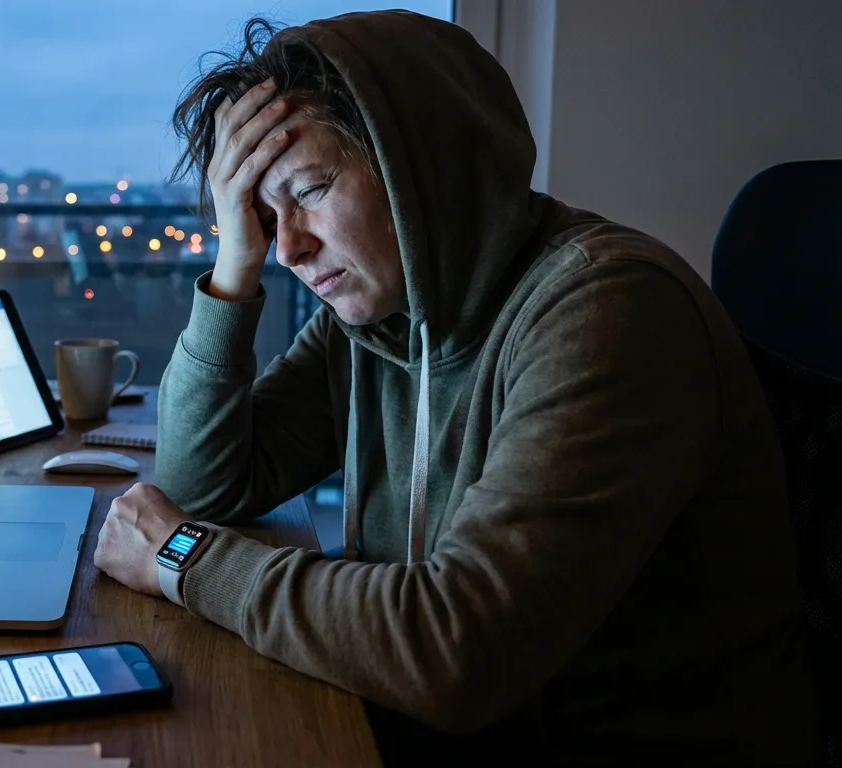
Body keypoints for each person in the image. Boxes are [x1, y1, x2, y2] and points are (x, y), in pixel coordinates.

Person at [92, 11, 818, 764]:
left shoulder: (610, 310)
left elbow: (457, 651)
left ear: (422, 166)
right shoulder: (381, 317)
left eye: (308, 190)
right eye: (261, 216)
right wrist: (232, 266)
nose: (291, 248)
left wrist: (183, 556)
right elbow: (203, 482)